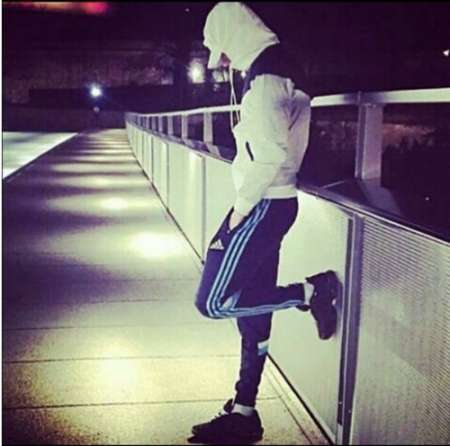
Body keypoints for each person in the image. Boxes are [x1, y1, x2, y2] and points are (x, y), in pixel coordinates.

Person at [190, 3, 339, 444]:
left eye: (221, 49)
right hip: (272, 203)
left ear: (235, 34)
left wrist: (239, 210)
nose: (221, 61)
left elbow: (270, 153)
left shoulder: (267, 78)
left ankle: (310, 292)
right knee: (252, 314)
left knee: (213, 302)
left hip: (262, 206)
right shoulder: (278, 68)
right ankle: (245, 411)